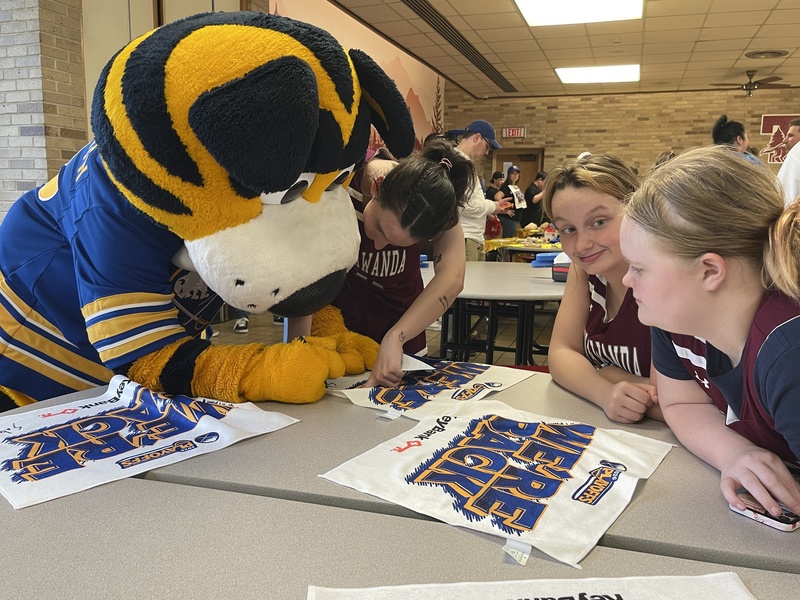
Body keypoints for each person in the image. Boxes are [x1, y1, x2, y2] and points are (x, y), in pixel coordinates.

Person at [620, 144, 800, 520]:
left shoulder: (789, 356)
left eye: (639, 267)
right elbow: (682, 404)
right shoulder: (675, 321)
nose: (626, 280)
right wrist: (732, 452)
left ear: (710, 272)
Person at [302, 140, 476, 388]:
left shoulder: (433, 207)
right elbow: (305, 269)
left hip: (403, 330)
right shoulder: (340, 178)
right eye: (380, 228)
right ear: (376, 187)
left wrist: (397, 336)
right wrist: (298, 345)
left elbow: (453, 277)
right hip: (339, 329)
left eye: (399, 244)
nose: (380, 244)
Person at [541, 154, 661, 424]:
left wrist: (609, 373)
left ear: (636, 209)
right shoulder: (583, 271)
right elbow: (560, 353)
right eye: (568, 229)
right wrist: (605, 392)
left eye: (599, 222)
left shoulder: (661, 278)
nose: (582, 245)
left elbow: (677, 401)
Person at [448, 119, 512, 261]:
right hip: (466, 237)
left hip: (472, 237)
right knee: (469, 282)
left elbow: (471, 201)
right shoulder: (459, 165)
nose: (487, 152)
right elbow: (468, 206)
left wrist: (491, 207)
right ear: (476, 138)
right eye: (487, 146)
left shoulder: (464, 164)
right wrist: (493, 206)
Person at [494, 165, 525, 238]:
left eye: (517, 173)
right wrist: (505, 208)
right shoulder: (506, 187)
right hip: (508, 218)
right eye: (512, 173)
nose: (515, 175)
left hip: (515, 218)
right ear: (509, 175)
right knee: (508, 239)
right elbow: (497, 196)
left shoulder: (515, 187)